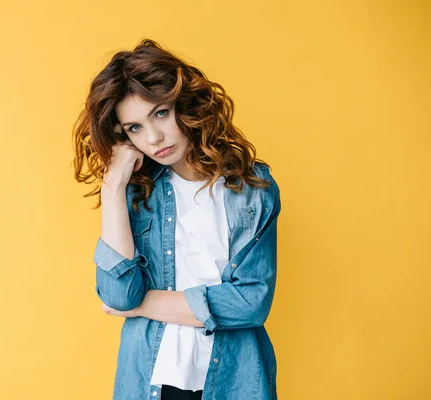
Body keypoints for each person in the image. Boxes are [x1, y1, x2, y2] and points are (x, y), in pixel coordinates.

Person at [72, 39, 281, 400]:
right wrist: (113, 187)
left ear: (184, 105)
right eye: (134, 127)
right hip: (152, 380)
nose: (153, 137)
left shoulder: (250, 189)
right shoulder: (138, 194)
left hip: (235, 379)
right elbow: (118, 293)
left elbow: (251, 303)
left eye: (159, 113)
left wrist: (142, 304)